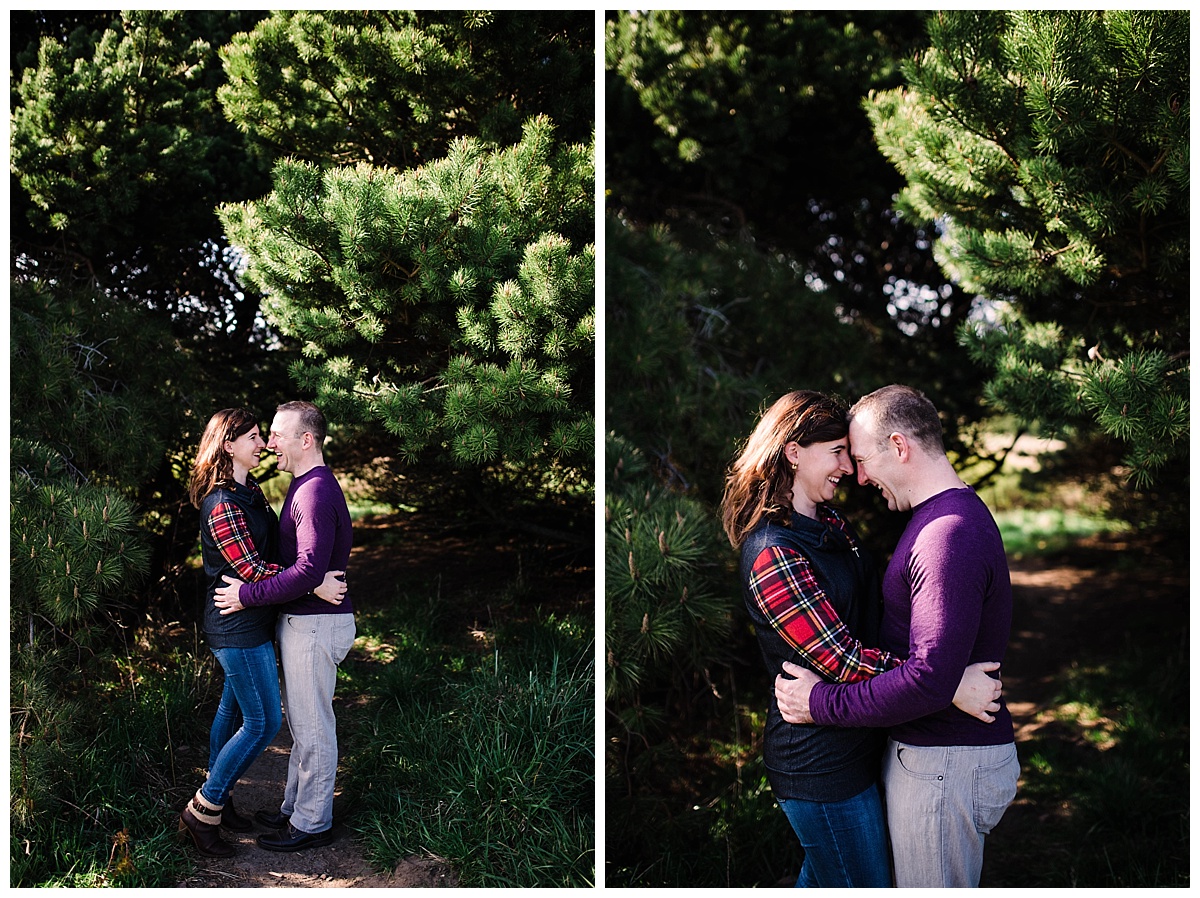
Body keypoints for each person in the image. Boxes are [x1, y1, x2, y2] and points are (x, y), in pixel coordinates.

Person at [720, 390, 1002, 888]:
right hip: (820, 762)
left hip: (861, 741)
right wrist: (947, 683)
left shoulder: (830, 526)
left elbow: (872, 620)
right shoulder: (772, 552)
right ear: (793, 452)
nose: (850, 470)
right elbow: (842, 657)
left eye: (853, 456)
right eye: (836, 453)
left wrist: (932, 677)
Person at [179, 408, 346, 858]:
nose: (264, 444)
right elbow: (250, 568)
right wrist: (313, 579)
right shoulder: (223, 503)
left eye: (265, 435)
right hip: (237, 624)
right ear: (227, 446)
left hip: (254, 619)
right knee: (264, 721)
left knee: (230, 715)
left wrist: (307, 576)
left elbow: (270, 555)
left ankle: (223, 801)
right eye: (254, 437)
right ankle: (205, 807)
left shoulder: (249, 490)